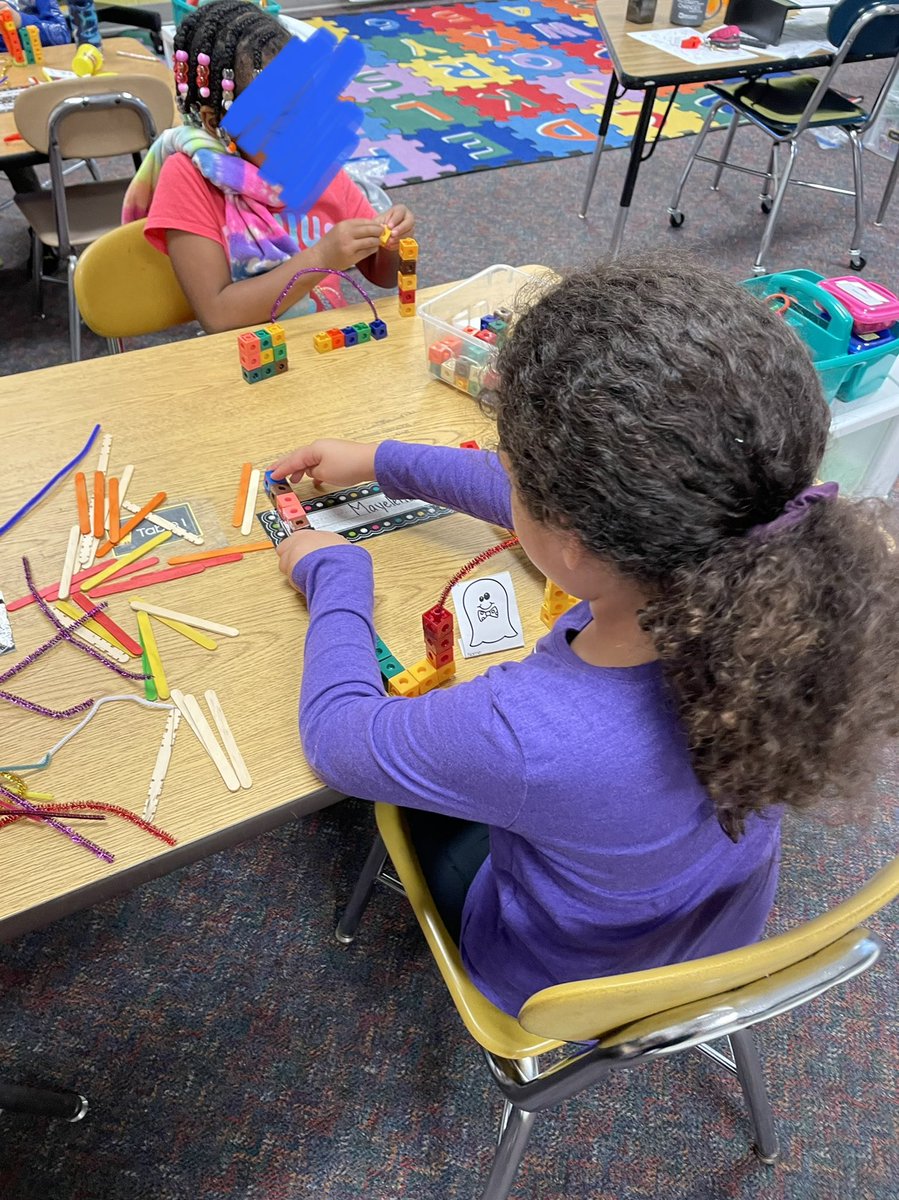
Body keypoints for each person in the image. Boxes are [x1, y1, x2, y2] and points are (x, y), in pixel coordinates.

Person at [269, 257, 899, 1019]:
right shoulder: (784, 561)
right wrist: (382, 463)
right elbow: (565, 510)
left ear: (573, 539)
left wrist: (337, 574)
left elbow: (338, 742)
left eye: (514, 471)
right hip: (715, 931)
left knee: (375, 811)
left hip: (557, 978)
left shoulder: (529, 734)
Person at [121, 0, 413, 333]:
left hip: (324, 350)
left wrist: (391, 244)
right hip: (247, 360)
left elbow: (383, 276)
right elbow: (218, 315)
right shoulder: (190, 178)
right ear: (218, 122)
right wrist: (320, 259)